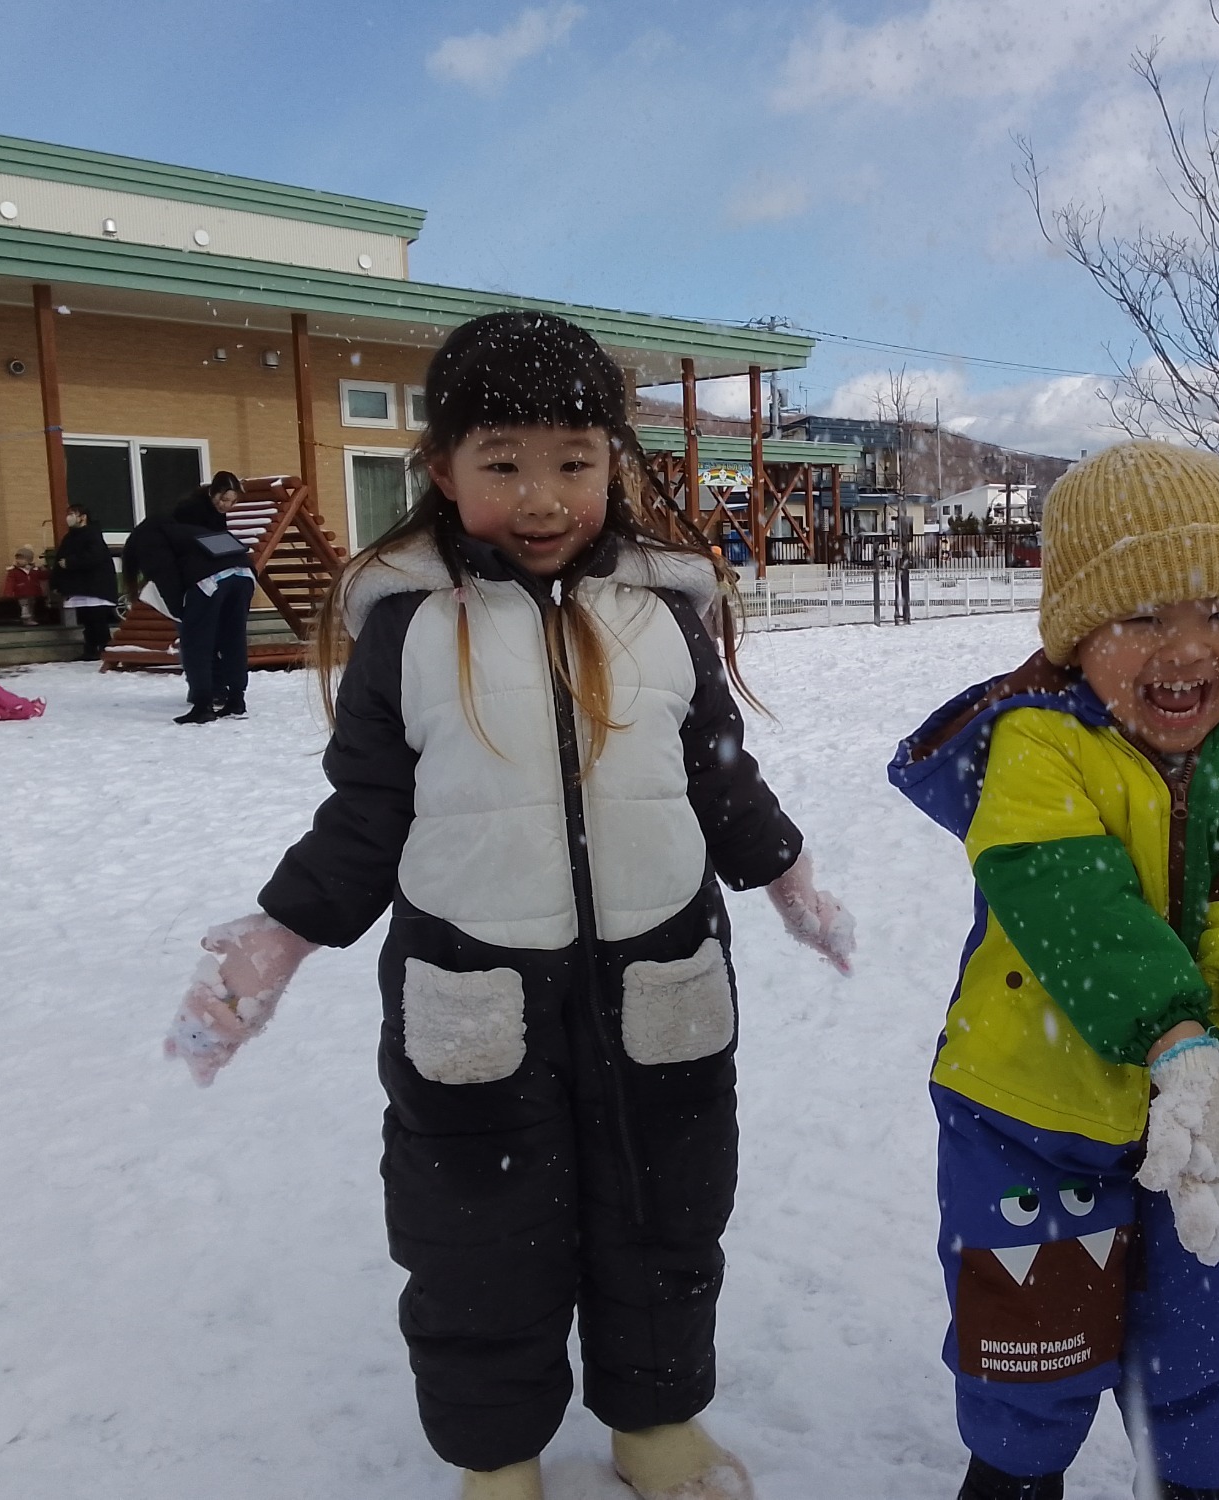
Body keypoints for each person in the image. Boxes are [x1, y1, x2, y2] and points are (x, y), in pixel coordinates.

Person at [160, 312, 857, 1500]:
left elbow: (718, 772)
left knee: (665, 1212)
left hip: (663, 980)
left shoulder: (662, 614)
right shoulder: (410, 631)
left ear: (613, 466)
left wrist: (784, 874)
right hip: (470, 989)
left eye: (573, 464)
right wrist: (276, 939)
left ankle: (655, 1424)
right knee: (473, 1238)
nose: (540, 498)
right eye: (501, 464)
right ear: (441, 472)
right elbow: (366, 812)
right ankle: (497, 1456)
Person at [887, 442, 1219, 1500]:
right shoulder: (1035, 745)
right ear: (1074, 634)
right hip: (1029, 1109)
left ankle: (1195, 1486)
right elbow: (1069, 907)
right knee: (1029, 1340)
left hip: (1209, 1120)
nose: (1186, 649)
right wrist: (1169, 1031)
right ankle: (1010, 1481)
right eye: (1141, 616)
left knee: (1215, 1330)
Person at [123, 471, 256, 723]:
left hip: (210, 578)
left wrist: (182, 611)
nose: (226, 506)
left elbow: (166, 575)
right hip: (244, 572)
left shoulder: (148, 538)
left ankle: (203, 706)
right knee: (233, 638)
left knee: (196, 643)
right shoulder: (188, 527)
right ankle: (236, 700)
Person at [50, 503, 121, 661]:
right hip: (81, 587)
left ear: (83, 517)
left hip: (95, 587)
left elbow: (94, 556)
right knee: (87, 621)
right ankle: (90, 650)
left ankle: (105, 648)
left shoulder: (92, 535)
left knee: (97, 620)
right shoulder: (70, 537)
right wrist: (56, 583)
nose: (69, 517)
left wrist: (71, 562)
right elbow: (59, 560)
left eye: (73, 513)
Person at [1, 545, 48, 623]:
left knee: (32, 605)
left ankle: (31, 618)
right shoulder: (14, 571)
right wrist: (8, 592)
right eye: (17, 558)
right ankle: (26, 618)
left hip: (33, 591)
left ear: (28, 560)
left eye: (21, 559)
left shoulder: (35, 570)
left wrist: (45, 571)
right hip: (21, 592)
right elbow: (10, 582)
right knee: (24, 605)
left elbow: (43, 576)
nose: (18, 560)